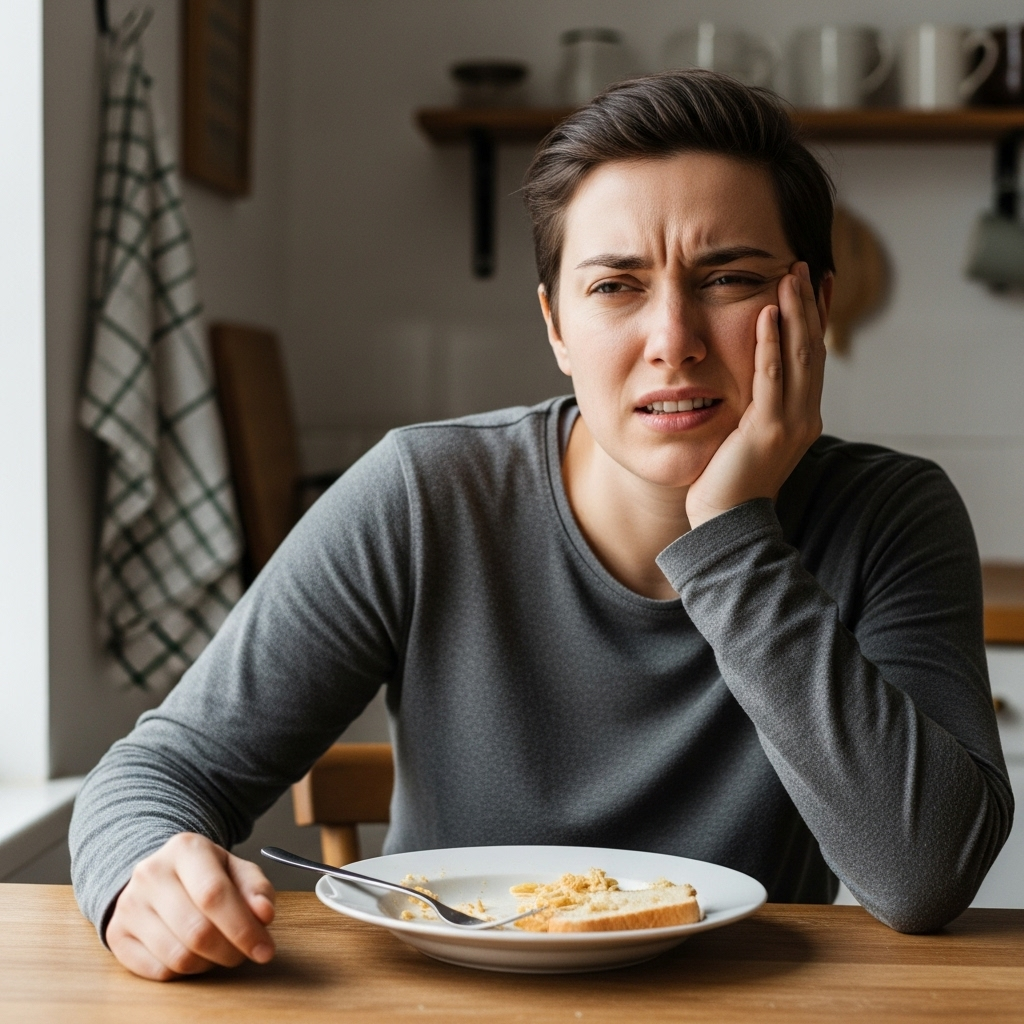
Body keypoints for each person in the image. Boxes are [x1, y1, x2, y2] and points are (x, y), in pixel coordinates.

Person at [70, 69, 1012, 981]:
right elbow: (153, 776)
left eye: (728, 279)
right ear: (556, 326)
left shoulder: (891, 516)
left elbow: (923, 875)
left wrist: (730, 531)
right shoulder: (423, 493)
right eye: (616, 287)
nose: (672, 338)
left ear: (813, 308)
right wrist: (145, 878)